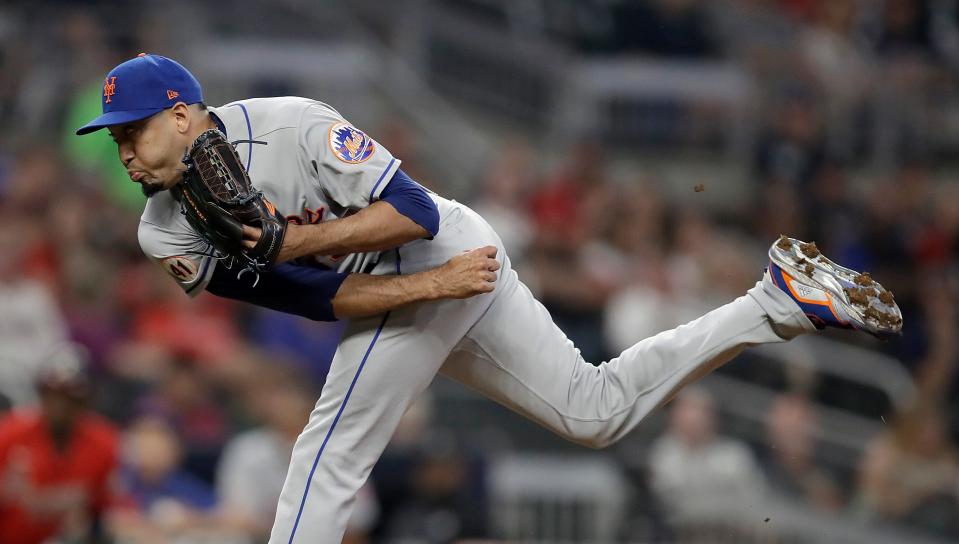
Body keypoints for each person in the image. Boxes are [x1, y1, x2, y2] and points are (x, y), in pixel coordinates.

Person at [75, 53, 902, 544]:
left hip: (440, 241)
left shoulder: (290, 125)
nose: (123, 151)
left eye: (133, 130)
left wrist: (318, 244)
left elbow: (415, 212)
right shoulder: (164, 235)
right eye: (114, 137)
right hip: (422, 278)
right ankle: (775, 303)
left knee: (321, 459)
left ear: (185, 117)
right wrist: (425, 287)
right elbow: (320, 300)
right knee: (593, 413)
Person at [0, 344, 119, 544]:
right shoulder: (11, 432)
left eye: (69, 397)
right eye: (52, 394)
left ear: (84, 401)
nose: (60, 406)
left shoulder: (104, 443)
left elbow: (107, 510)